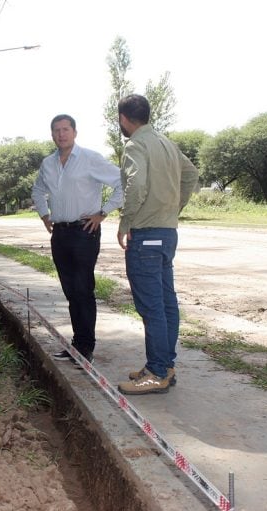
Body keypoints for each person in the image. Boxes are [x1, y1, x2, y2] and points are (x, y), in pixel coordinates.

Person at [115, 94, 198, 395]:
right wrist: (172, 209)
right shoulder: (167, 143)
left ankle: (157, 372)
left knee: (152, 307)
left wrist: (125, 223)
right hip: (167, 232)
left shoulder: (135, 144)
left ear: (124, 118)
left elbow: (136, 185)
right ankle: (165, 364)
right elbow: (191, 175)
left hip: (146, 234)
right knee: (165, 302)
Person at [32, 114, 123, 365]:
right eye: (56, 130)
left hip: (84, 231)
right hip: (59, 234)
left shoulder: (90, 159)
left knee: (83, 289)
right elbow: (38, 190)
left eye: (65, 129)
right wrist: (44, 215)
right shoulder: (48, 163)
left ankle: (86, 346)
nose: (61, 134)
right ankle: (77, 344)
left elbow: (122, 183)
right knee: (71, 290)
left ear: (74, 132)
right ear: (52, 134)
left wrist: (103, 213)